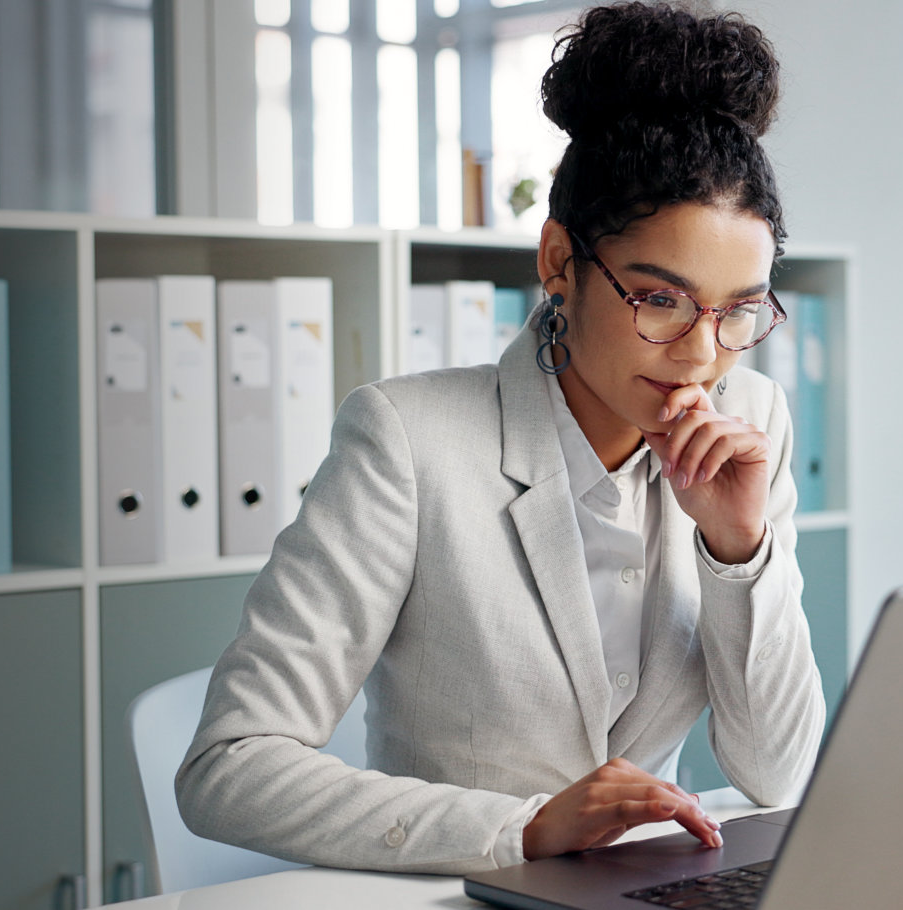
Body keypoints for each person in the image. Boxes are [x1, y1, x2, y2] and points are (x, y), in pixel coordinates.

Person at [176, 0, 823, 875]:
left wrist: (738, 547)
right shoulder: (409, 442)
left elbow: (777, 769)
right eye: (659, 299)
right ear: (559, 262)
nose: (703, 355)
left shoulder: (753, 420)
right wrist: (519, 829)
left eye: (740, 310)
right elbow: (229, 766)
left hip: (649, 892)